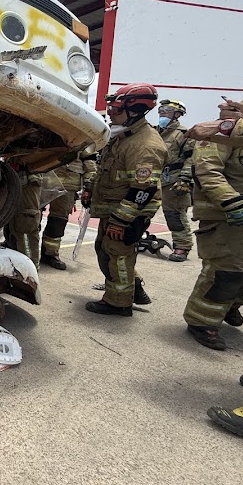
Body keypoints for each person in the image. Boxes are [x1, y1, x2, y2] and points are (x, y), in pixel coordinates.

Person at [185, 68, 243, 440]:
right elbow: (207, 168)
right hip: (232, 213)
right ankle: (203, 321)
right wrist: (231, 203)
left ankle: (230, 305)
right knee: (225, 272)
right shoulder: (229, 125)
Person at [83, 84, 166, 316]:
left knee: (117, 256)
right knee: (107, 251)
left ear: (135, 110)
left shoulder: (145, 145)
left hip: (127, 214)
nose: (111, 113)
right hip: (114, 210)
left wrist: (121, 221)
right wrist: (90, 189)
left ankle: (118, 303)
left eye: (116, 109)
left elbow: (143, 189)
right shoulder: (123, 136)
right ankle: (134, 287)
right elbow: (105, 170)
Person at [40, 149, 97, 270]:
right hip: (42, 178)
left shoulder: (83, 139)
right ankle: (26, 249)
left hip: (68, 183)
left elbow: (90, 160)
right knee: (31, 216)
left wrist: (89, 186)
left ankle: (50, 253)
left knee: (59, 220)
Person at [156, 99, 195, 262]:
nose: (162, 112)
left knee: (174, 214)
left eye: (166, 109)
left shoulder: (184, 133)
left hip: (173, 180)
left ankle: (182, 246)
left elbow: (192, 158)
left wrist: (184, 179)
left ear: (177, 114)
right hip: (154, 178)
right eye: (160, 109)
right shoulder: (155, 131)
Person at [4, 172, 43, 268]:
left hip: (27, 179)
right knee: (14, 221)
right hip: (16, 179)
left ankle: (29, 267)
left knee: (26, 222)